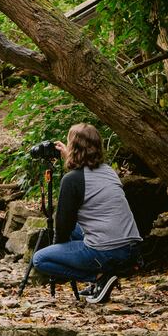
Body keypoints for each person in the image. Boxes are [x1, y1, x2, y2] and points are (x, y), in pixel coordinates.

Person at [29, 123, 142, 303]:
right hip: (132, 249)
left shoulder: (72, 180)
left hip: (108, 251)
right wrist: (70, 158)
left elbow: (63, 225)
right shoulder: (109, 171)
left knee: (40, 259)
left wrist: (60, 250)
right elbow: (85, 178)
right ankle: (103, 276)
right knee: (77, 230)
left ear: (73, 148)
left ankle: (99, 277)